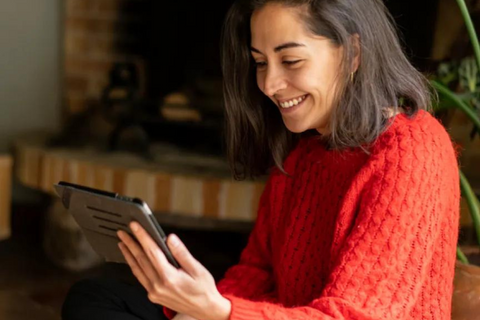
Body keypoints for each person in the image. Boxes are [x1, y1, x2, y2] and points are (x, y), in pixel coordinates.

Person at [62, 0, 460, 319]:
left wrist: (222, 313)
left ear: (353, 53)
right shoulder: (302, 152)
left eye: (290, 61)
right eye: (260, 62)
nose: (269, 84)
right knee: (95, 297)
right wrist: (195, 310)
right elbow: (256, 271)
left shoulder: (412, 149)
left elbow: (355, 315)